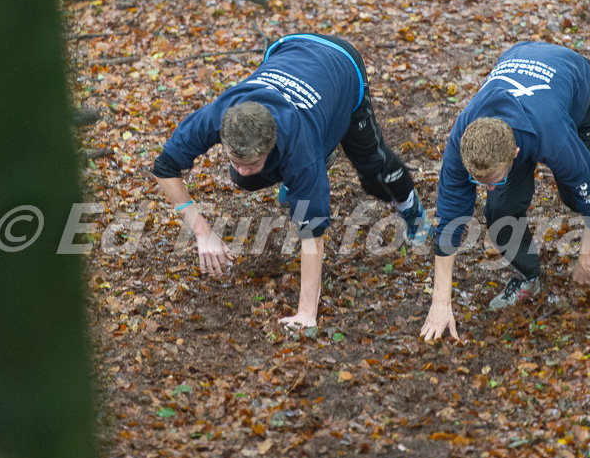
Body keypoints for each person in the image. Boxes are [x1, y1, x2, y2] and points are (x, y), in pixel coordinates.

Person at [152, 33, 432, 329]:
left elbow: (312, 236)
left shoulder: (301, 153)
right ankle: (305, 161)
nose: (243, 168)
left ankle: (409, 205)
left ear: (273, 144)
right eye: (234, 159)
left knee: (374, 171)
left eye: (253, 162)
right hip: (290, 48)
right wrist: (202, 232)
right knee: (244, 180)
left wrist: (306, 313)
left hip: (341, 66)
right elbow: (164, 167)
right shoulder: (220, 114)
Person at [421, 41, 590, 340]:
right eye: (480, 182)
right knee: (499, 209)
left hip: (574, 81)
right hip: (519, 57)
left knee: (576, 194)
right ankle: (528, 276)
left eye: (493, 179)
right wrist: (440, 303)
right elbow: (450, 222)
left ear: (515, 154)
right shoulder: (462, 137)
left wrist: (587, 259)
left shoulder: (554, 135)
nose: (485, 188)